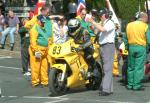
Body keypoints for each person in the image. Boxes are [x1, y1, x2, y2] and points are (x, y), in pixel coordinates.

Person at [89, 8, 116, 96]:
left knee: (107, 68)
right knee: (105, 68)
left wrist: (93, 22)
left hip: (108, 46)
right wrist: (93, 27)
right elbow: (97, 31)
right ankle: (109, 88)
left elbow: (103, 30)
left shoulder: (110, 23)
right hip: (102, 46)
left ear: (105, 15)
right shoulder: (103, 23)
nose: (100, 17)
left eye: (101, 15)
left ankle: (106, 90)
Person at [124, 12, 150, 90]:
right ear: (144, 18)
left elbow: (125, 38)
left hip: (131, 47)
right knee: (138, 67)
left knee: (130, 66)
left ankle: (130, 84)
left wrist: (127, 47)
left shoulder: (129, 25)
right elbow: (149, 39)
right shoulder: (145, 26)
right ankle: (136, 85)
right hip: (141, 47)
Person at [29, 15, 52, 87]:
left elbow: (46, 38)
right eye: (42, 22)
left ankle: (44, 81)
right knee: (36, 67)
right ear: (38, 21)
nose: (43, 23)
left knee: (44, 67)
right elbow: (33, 41)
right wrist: (35, 50)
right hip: (38, 49)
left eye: (44, 22)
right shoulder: (34, 29)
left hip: (44, 51)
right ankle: (35, 82)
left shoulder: (42, 28)